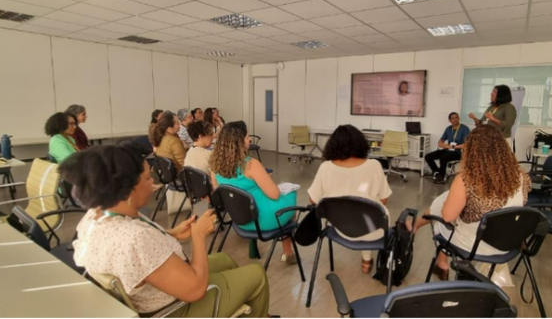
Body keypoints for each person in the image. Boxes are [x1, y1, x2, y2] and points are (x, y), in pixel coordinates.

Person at [64, 144, 270, 317]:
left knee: (225, 259)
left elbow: (138, 254)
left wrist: (171, 233)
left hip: (153, 288)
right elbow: (196, 290)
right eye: (147, 178)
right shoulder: (135, 239)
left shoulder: (96, 215)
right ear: (127, 191)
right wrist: (198, 236)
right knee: (257, 274)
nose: (153, 182)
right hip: (174, 308)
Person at [407, 125, 531, 281]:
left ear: (471, 150)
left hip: (474, 244)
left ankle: (440, 260)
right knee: (446, 200)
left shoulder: (466, 180)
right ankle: (420, 232)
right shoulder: (522, 177)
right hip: (508, 242)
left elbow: (447, 217)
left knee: (440, 213)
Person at [307, 125, 392, 273]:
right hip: (375, 229)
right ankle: (367, 260)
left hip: (341, 228)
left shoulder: (326, 167)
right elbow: (384, 200)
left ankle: (366, 260)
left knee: (354, 213)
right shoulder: (374, 165)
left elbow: (313, 200)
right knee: (369, 212)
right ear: (360, 143)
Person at [210, 121, 298, 263]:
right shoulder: (250, 164)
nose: (249, 139)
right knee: (291, 195)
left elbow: (219, 191)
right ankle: (288, 252)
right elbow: (274, 194)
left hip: (239, 219)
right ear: (238, 142)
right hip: (262, 218)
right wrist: (263, 179)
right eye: (246, 137)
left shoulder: (214, 164)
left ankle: (286, 252)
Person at [424, 112, 470, 184]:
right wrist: (442, 144)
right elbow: (440, 142)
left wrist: (453, 146)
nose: (455, 120)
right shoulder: (448, 129)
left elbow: (467, 144)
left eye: (456, 118)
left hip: (457, 152)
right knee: (428, 156)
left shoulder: (464, 128)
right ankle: (437, 172)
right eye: (453, 118)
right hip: (447, 150)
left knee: (444, 157)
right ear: (449, 120)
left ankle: (441, 176)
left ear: (458, 118)